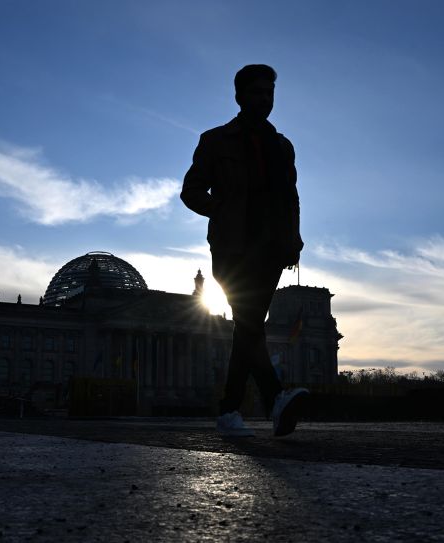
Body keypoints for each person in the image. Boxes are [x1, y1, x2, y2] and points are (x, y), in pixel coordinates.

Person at [181, 64, 309, 437]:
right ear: (239, 96)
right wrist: (220, 211)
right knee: (250, 324)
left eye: (269, 94)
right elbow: (190, 191)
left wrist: (294, 240)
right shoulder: (215, 140)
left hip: (272, 250)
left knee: (247, 329)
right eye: (256, 93)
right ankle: (276, 397)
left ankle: (228, 412)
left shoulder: (284, 146)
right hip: (232, 247)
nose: (264, 100)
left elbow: (292, 198)